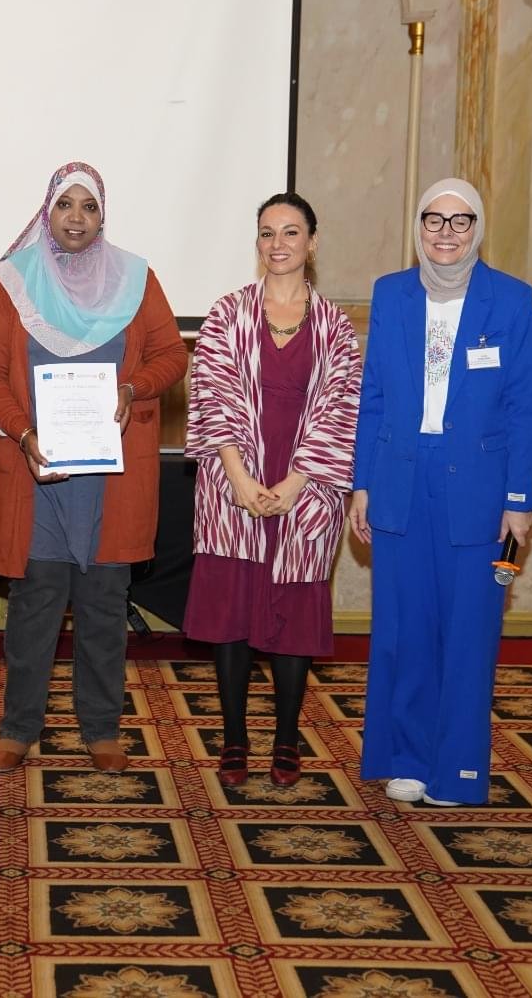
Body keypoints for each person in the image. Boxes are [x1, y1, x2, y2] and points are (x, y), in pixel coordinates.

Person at [0, 162, 187, 774]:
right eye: (64, 204)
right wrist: (23, 432)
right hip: (36, 471)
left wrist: (134, 387)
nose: (76, 217)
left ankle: (101, 728)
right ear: (47, 212)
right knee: (34, 604)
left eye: (89, 206)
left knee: (104, 604)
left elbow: (172, 355)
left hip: (113, 477)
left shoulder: (136, 279)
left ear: (102, 216)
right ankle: (19, 727)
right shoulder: (10, 282)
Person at [350, 178, 532, 807]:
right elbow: (374, 397)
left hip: (478, 489)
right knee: (404, 628)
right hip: (400, 479)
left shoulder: (509, 299)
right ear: (419, 226)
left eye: (461, 221)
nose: (446, 233)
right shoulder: (391, 293)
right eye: (434, 219)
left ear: (477, 229)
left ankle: (457, 768)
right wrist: (362, 483)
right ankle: (407, 758)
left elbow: (523, 408)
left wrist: (519, 498)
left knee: (468, 631)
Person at [185, 193, 361, 786]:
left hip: (306, 492)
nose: (277, 243)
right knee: (232, 617)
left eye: (290, 232)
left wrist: (294, 483)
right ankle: (234, 739)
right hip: (232, 486)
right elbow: (211, 397)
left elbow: (342, 410)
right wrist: (240, 479)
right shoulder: (226, 314)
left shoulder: (336, 326)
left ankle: (286, 738)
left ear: (313, 242)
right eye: (267, 232)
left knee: (294, 619)